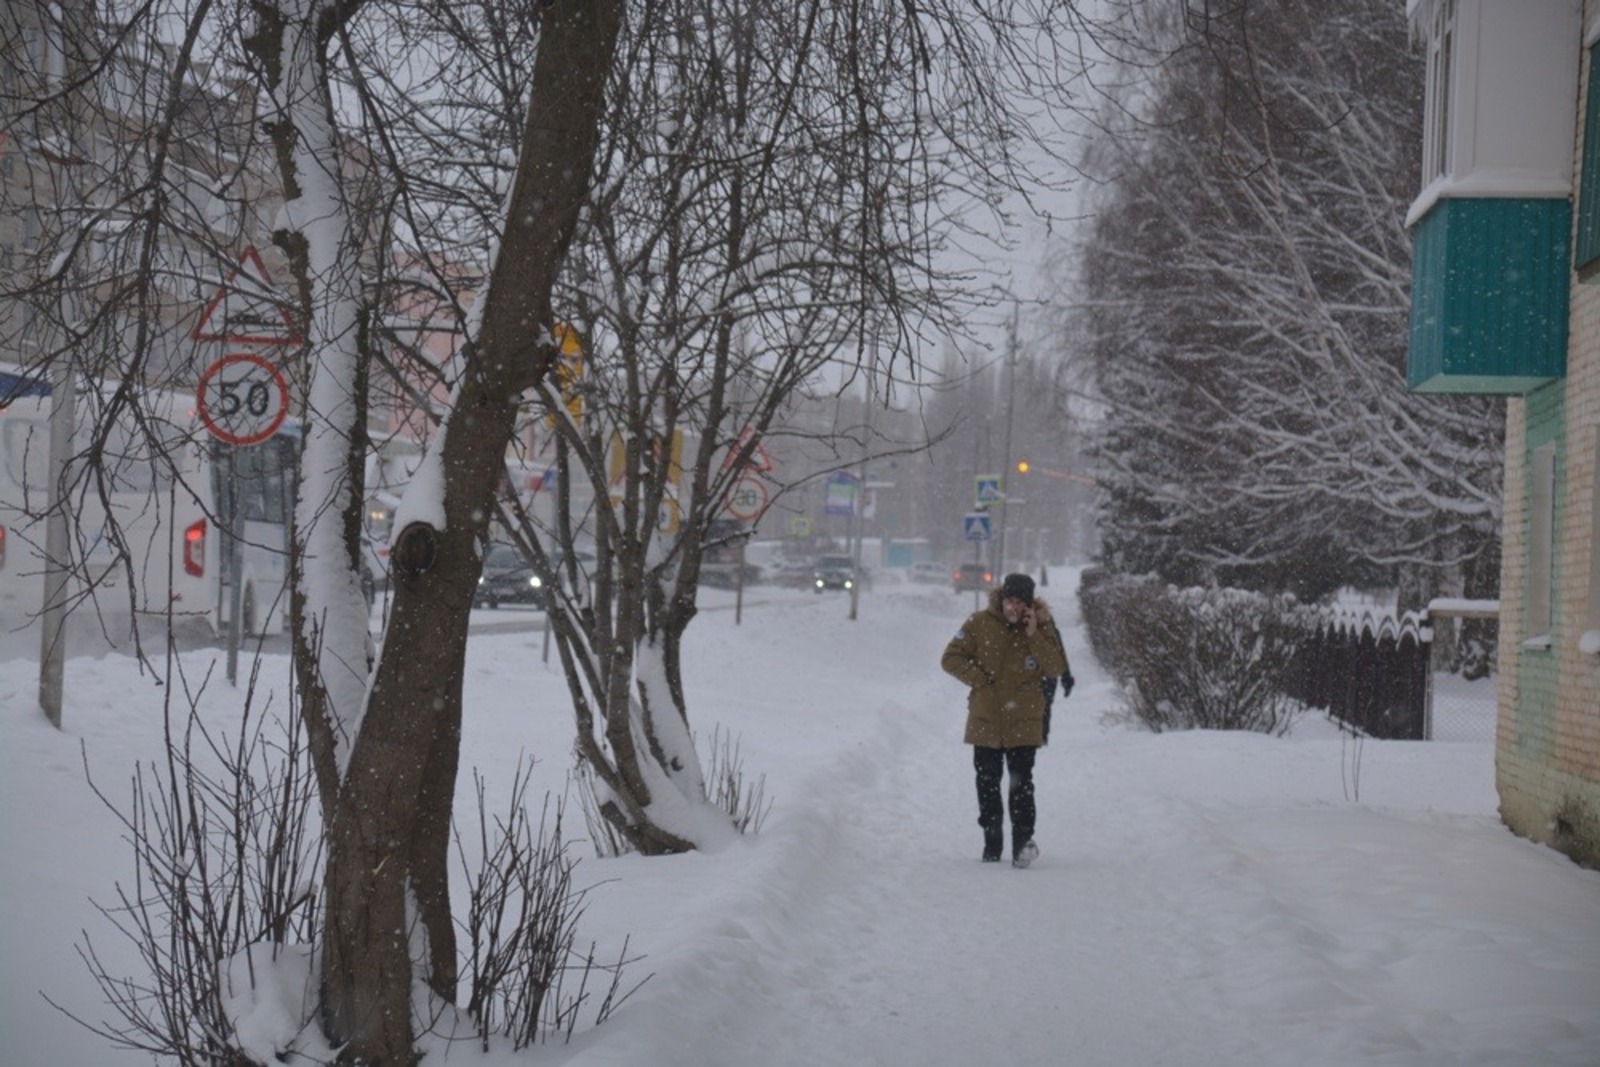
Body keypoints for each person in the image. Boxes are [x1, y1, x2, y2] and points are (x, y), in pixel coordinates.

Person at [940, 572, 1070, 868]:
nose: (1014, 607)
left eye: (1021, 602)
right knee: (987, 783)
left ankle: (1023, 844)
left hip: (1024, 720)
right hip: (986, 718)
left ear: (1030, 604)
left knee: (1021, 784)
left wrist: (1034, 634)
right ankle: (992, 842)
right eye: (1010, 600)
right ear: (1002, 598)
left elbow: (1054, 667)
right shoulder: (979, 623)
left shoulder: (1042, 626)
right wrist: (979, 680)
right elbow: (950, 658)